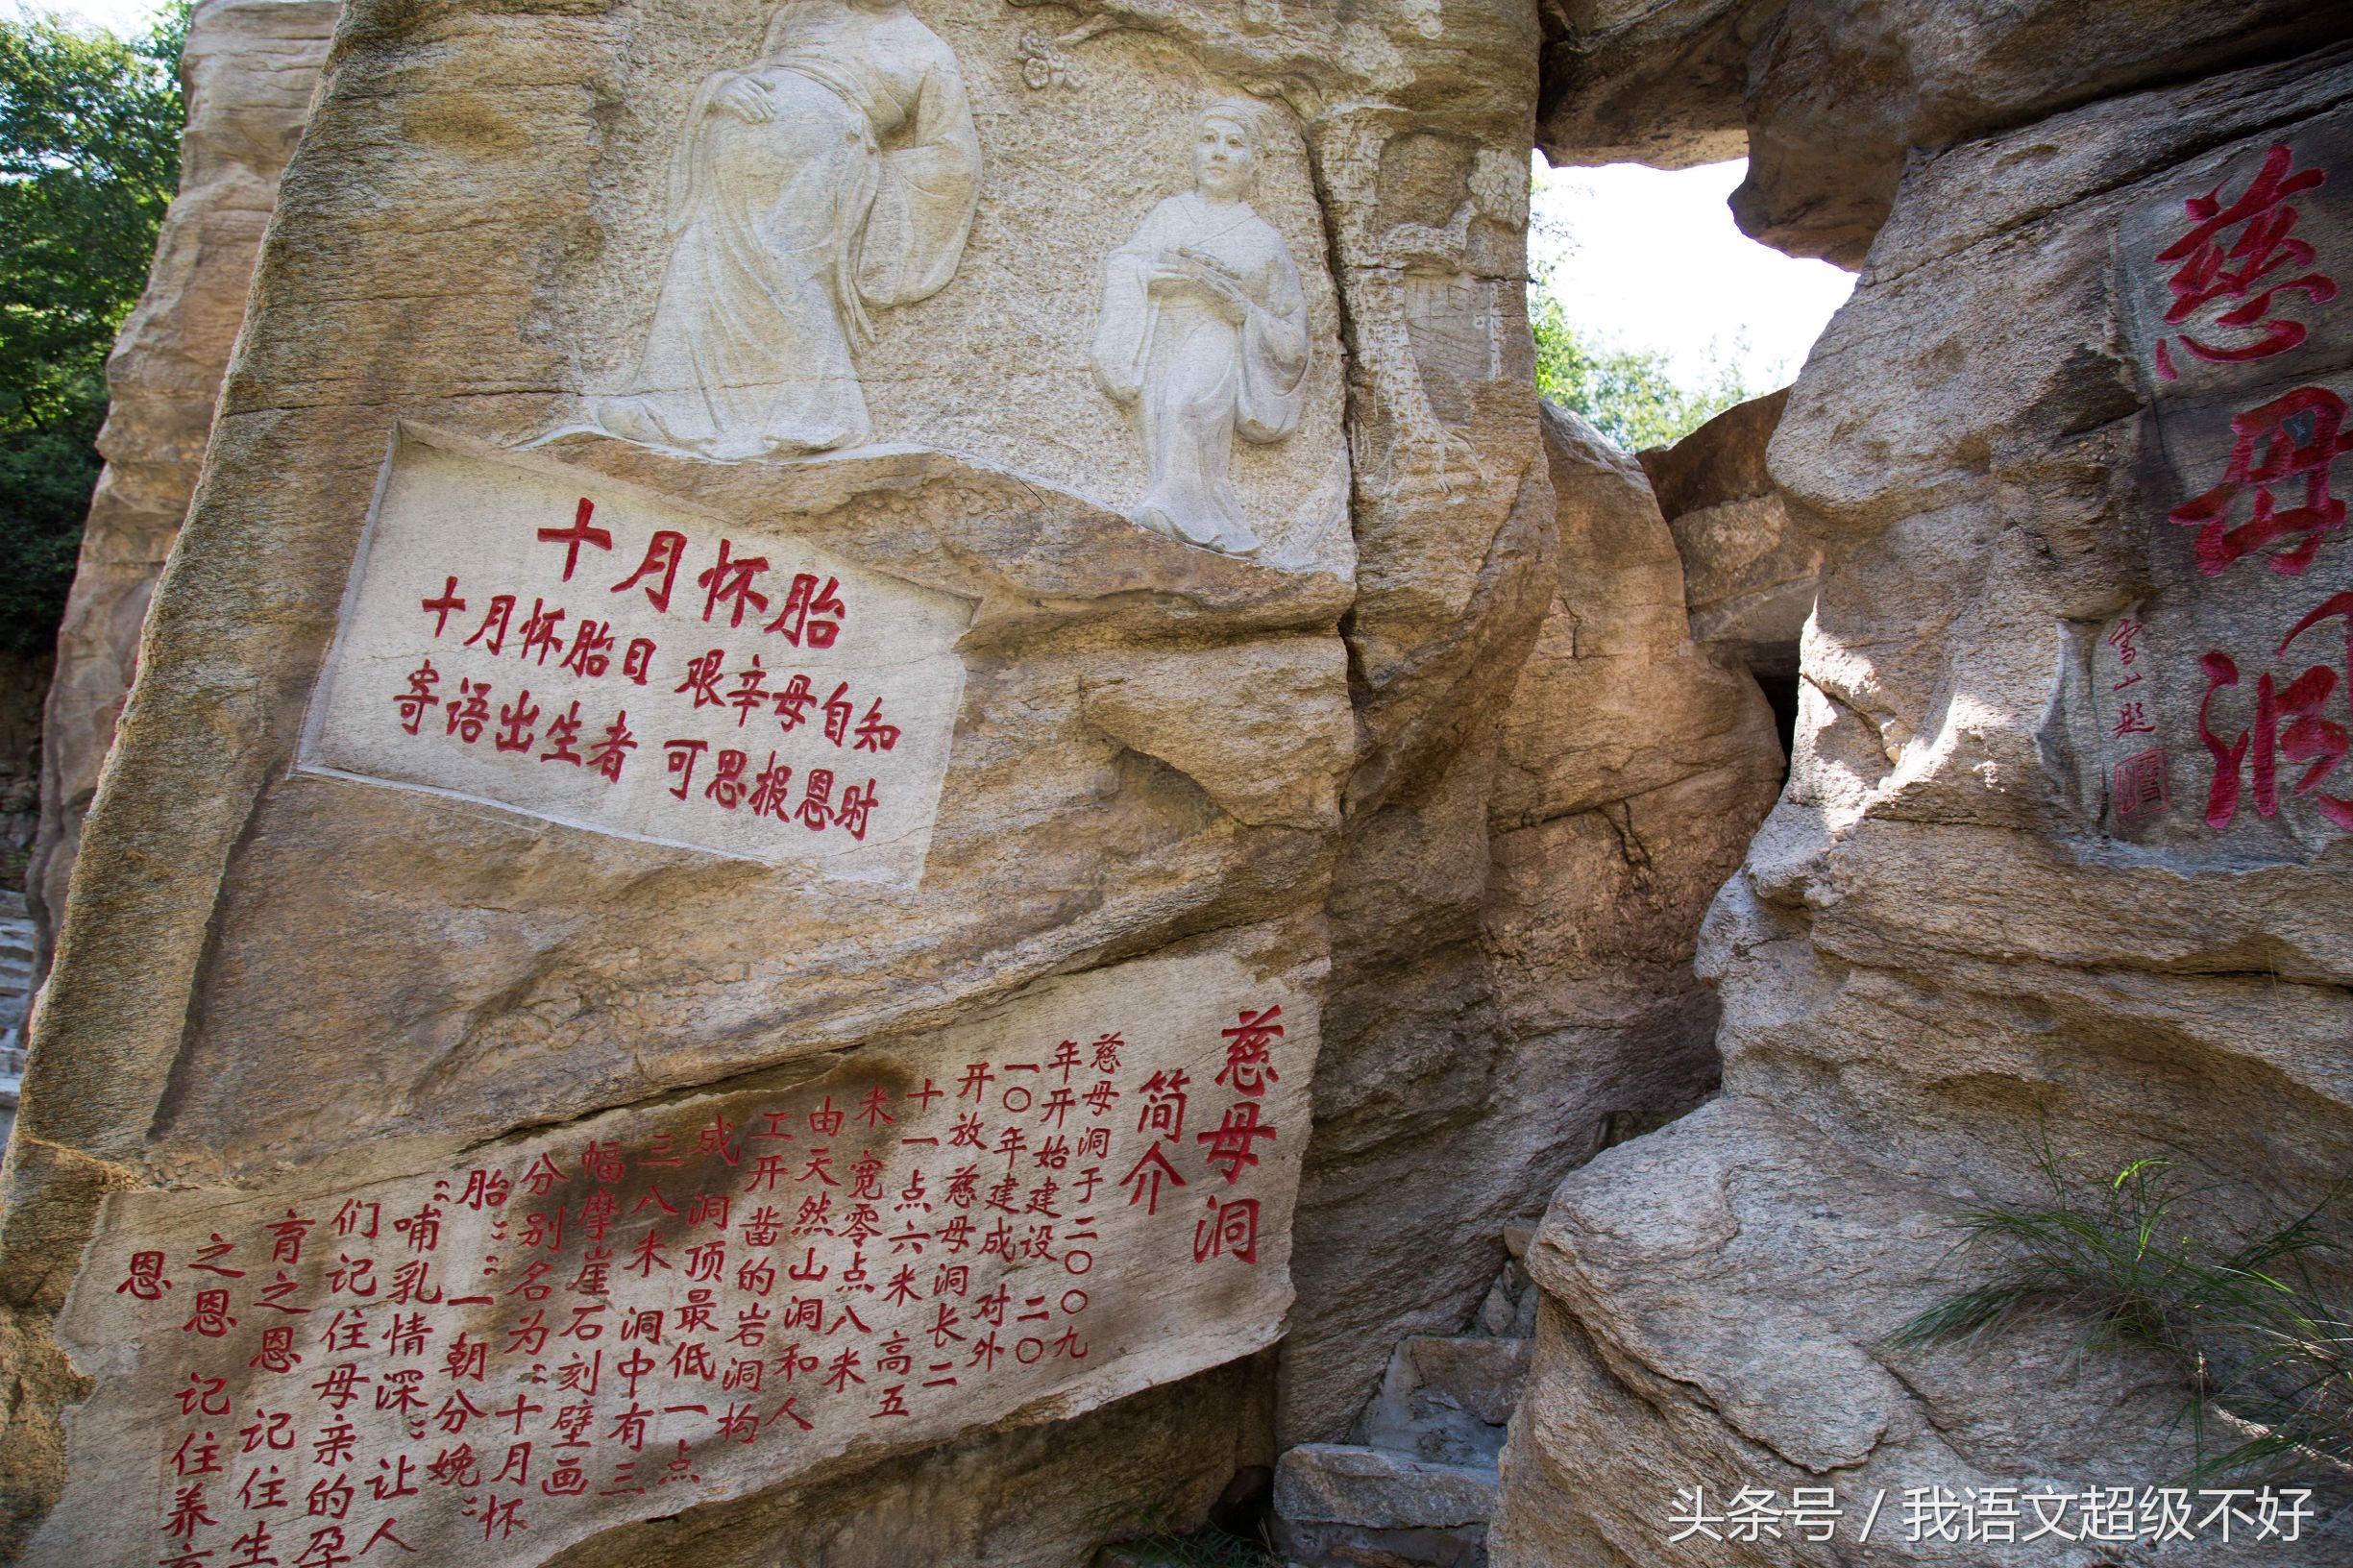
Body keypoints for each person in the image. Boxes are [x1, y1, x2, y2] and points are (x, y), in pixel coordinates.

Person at [597, 0, 980, 460]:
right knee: (701, 254)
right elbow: (758, 76)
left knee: (786, 267)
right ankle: (669, 405)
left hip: (826, 164)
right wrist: (723, 89)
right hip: (733, 160)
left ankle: (819, 418)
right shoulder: (803, 12)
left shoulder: (928, 51)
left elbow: (955, 154)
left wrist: (874, 171)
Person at [1091, 99, 1310, 556]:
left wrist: (1243, 310)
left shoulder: (1265, 239)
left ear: (1255, 162)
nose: (1219, 153)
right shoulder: (1169, 213)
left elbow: (1292, 328)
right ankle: (1194, 513)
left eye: (1234, 144)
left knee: (1186, 402)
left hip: (1218, 335)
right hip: (1162, 332)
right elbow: (1127, 263)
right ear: (1192, 152)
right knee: (1163, 416)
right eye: (1208, 140)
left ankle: (1175, 508)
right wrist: (1151, 278)